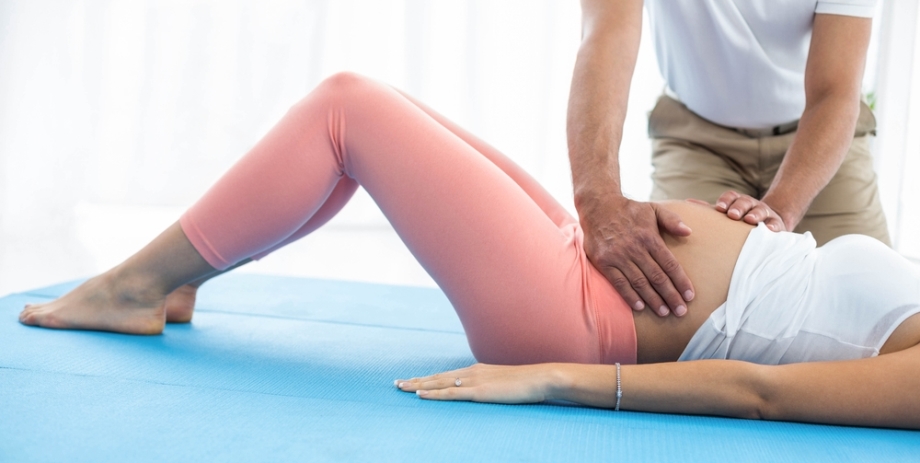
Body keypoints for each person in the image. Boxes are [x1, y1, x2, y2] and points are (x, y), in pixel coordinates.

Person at [19, 73, 920, 429]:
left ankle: (131, 287)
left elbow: (760, 391)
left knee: (348, 112)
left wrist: (557, 378)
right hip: (600, 267)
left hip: (587, 321)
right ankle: (182, 277)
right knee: (390, 114)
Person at [568, 0, 890, 318]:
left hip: (819, 139)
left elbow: (833, 92)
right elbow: (605, 42)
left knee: (882, 310)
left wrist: (781, 208)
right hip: (697, 140)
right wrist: (598, 202)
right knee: (672, 305)